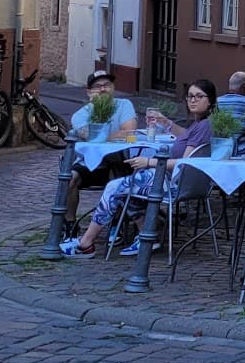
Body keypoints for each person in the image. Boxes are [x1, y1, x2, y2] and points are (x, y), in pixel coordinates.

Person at [60, 79, 216, 258]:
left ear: (210, 100)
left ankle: (86, 243)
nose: (193, 100)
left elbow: (186, 162)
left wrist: (148, 162)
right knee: (130, 182)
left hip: (174, 183)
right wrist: (167, 123)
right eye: (189, 96)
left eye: (198, 96)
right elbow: (186, 137)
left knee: (115, 187)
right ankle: (147, 236)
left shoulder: (204, 126)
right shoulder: (200, 124)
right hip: (174, 179)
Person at [62, 70, 139, 233]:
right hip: (90, 162)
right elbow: (88, 135)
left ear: (113, 88)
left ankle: (116, 223)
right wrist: (112, 133)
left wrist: (103, 135)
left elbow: (130, 133)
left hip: (118, 161)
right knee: (69, 180)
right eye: (97, 87)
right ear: (89, 92)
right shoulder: (81, 115)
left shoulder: (124, 105)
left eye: (107, 85)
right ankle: (70, 223)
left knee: (117, 177)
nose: (103, 89)